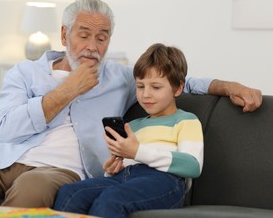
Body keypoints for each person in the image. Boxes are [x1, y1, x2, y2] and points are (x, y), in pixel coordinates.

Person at [0, 0, 262, 209]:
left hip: (60, 171)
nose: (93, 45)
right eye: (84, 34)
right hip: (2, 156)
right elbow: (6, 129)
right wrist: (66, 91)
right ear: (65, 35)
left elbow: (175, 81)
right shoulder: (24, 73)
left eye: (102, 36)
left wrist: (227, 85)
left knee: (32, 187)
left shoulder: (119, 77)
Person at [53, 43, 203, 217]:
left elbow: (193, 165)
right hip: (124, 177)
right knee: (70, 194)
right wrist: (111, 170)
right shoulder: (131, 126)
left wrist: (138, 152)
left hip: (163, 180)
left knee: (111, 199)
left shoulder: (185, 120)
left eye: (155, 87)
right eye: (140, 86)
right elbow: (125, 162)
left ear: (178, 88)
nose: (146, 94)